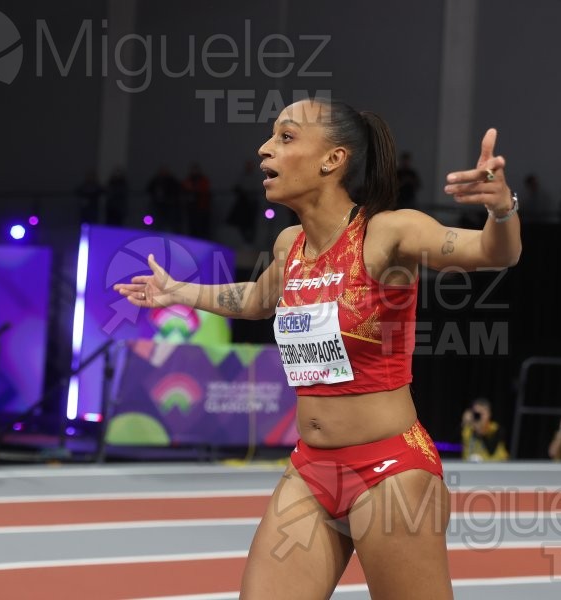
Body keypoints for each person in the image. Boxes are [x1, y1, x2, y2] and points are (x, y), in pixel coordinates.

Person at [115, 98, 521, 599]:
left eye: (285, 137)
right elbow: (257, 299)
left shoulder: (387, 232)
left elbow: (492, 252)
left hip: (389, 472)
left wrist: (501, 208)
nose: (265, 148)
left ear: (332, 160)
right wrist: (180, 292)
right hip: (310, 470)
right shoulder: (289, 244)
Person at [460, 398, 509, 462]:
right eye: (476, 414)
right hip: (469, 468)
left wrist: (479, 430)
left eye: (481, 413)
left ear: (489, 414)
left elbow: (491, 450)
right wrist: (463, 423)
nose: (478, 417)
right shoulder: (467, 429)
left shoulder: (496, 429)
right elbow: (450, 446)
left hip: (494, 468)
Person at [146, 166, 183, 233]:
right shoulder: (156, 180)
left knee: (169, 221)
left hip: (169, 205)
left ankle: (169, 234)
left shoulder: (172, 181)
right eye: (162, 171)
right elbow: (149, 189)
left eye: (165, 171)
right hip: (157, 204)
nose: (163, 173)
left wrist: (171, 198)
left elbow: (177, 190)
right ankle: (157, 232)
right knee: (158, 221)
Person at [183, 163, 212, 238]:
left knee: (202, 227)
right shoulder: (188, 180)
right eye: (192, 170)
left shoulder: (203, 180)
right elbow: (184, 188)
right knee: (192, 227)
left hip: (202, 207)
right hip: (191, 207)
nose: (194, 172)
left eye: (195, 170)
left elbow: (204, 190)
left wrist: (194, 189)